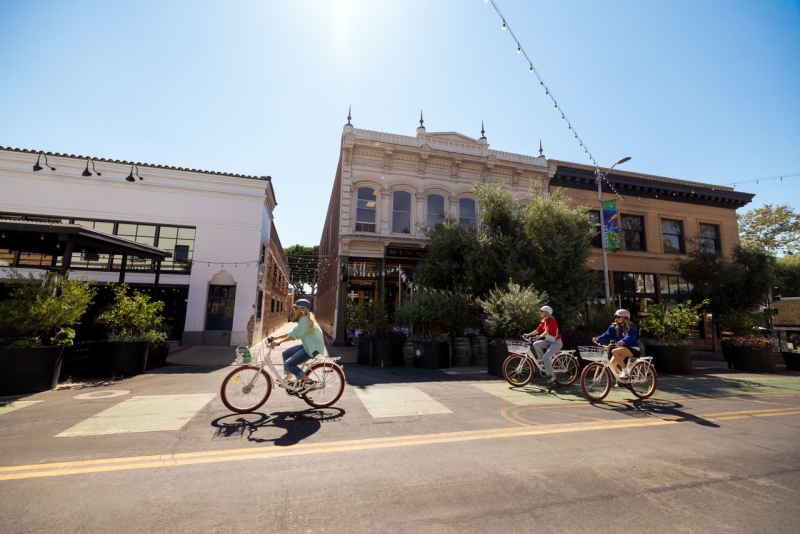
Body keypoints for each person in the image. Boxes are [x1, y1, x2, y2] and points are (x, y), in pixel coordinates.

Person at [269, 299, 325, 394]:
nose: (295, 310)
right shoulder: (304, 319)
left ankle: (308, 381)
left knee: (289, 364)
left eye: (296, 308)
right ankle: (288, 378)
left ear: (302, 309)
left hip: (313, 348)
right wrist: (276, 337)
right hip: (308, 345)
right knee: (286, 353)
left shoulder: (305, 320)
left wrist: (279, 342)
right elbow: (292, 332)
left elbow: (296, 335)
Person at [593, 309, 640, 380]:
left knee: (614, 351)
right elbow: (607, 335)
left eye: (619, 317)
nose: (617, 318)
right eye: (616, 317)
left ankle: (625, 372)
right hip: (621, 349)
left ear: (625, 318)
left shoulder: (632, 326)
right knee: (611, 365)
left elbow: (630, 336)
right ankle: (622, 380)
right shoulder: (614, 326)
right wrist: (598, 339)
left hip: (632, 348)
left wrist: (623, 341)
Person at [523, 305, 562, 384]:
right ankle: (541, 358)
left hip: (556, 343)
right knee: (536, 344)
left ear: (547, 313)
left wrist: (540, 336)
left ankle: (552, 376)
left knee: (546, 356)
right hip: (548, 341)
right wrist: (528, 334)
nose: (540, 313)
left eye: (542, 311)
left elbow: (547, 331)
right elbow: (538, 330)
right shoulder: (544, 321)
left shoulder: (552, 321)